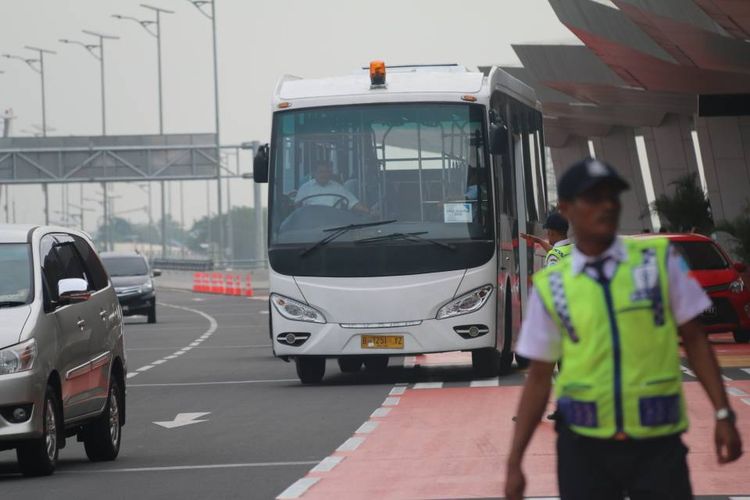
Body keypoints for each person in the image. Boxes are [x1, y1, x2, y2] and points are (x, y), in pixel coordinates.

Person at [505, 158, 742, 500]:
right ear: (567, 208)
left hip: (657, 444)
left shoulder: (658, 262)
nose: (606, 206)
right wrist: (515, 461)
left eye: (612, 197)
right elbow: (539, 377)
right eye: (593, 198)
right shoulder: (552, 286)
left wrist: (723, 413)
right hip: (583, 449)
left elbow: (696, 341)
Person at [294, 161, 368, 213]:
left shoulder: (338, 187)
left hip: (333, 225)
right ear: (314, 173)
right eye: (321, 172)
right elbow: (297, 209)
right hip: (311, 226)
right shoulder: (305, 188)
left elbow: (354, 203)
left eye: (327, 172)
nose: (324, 175)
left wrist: (369, 212)